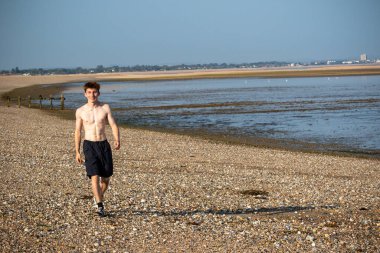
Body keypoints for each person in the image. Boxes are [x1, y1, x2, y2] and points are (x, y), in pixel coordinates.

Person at [75, 82, 120, 217]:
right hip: (89, 145)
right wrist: (77, 151)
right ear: (85, 94)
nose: (92, 95)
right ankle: (100, 206)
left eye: (94, 92)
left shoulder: (105, 108)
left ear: (98, 93)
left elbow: (113, 124)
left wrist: (117, 139)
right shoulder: (80, 111)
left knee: (105, 179)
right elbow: (77, 131)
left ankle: (98, 196)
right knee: (94, 176)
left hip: (103, 145)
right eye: (89, 92)